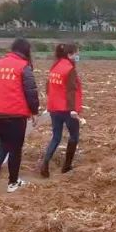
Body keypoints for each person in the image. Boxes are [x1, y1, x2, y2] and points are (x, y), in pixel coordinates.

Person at [0, 38, 41, 193]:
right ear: (26, 51)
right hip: (15, 113)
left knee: (3, 144)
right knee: (15, 148)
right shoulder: (23, 66)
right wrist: (34, 112)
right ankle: (13, 183)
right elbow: (31, 92)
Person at [41, 42, 83, 177]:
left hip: (54, 108)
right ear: (70, 55)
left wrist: (51, 102)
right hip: (67, 109)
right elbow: (71, 90)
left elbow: (48, 87)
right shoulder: (69, 68)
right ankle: (67, 166)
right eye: (76, 53)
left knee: (56, 137)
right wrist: (73, 110)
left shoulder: (55, 66)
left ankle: (45, 164)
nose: (78, 55)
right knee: (74, 136)